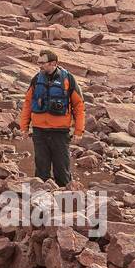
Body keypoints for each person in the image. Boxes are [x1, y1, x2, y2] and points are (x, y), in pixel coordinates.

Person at [19, 47, 85, 187]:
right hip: (39, 132)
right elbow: (28, 104)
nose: (39, 65)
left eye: (43, 62)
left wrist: (79, 131)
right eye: (39, 62)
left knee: (62, 171)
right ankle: (40, 203)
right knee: (41, 172)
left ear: (53, 63)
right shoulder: (36, 80)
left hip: (60, 133)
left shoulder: (68, 79)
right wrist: (24, 127)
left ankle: (65, 203)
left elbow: (79, 106)